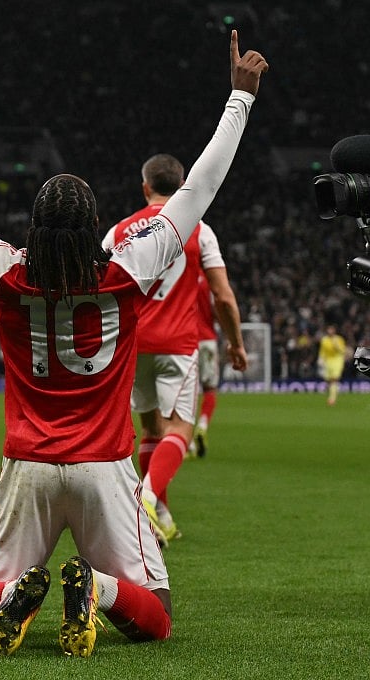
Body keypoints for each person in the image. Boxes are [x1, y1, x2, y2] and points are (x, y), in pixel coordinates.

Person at [0, 30, 267, 656]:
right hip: (105, 468)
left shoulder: (4, 271)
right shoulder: (129, 268)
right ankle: (98, 587)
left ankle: (20, 592)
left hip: (29, 468)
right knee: (158, 616)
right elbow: (200, 188)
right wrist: (239, 99)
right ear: (96, 226)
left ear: (33, 226)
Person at [102, 154, 249, 545]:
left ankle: (161, 518)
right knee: (180, 428)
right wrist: (235, 342)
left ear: (145, 186)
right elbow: (223, 296)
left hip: (132, 346)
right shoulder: (199, 231)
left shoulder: (117, 232)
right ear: (183, 186)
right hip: (179, 344)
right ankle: (147, 499)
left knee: (150, 429)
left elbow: (99, 294)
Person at [190, 264, 247, 458]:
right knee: (210, 389)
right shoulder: (209, 281)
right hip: (207, 340)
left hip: (184, 340)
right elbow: (219, 308)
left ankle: (186, 442)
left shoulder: (182, 276)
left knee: (186, 394)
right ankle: (203, 425)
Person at [317, 323, 347, 406]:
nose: (330, 331)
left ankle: (332, 399)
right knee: (328, 379)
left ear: (334, 330)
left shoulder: (339, 339)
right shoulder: (324, 340)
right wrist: (320, 358)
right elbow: (322, 351)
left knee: (334, 379)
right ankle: (333, 389)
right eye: (329, 329)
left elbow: (343, 351)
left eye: (331, 329)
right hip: (328, 360)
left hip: (337, 359)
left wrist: (337, 346)